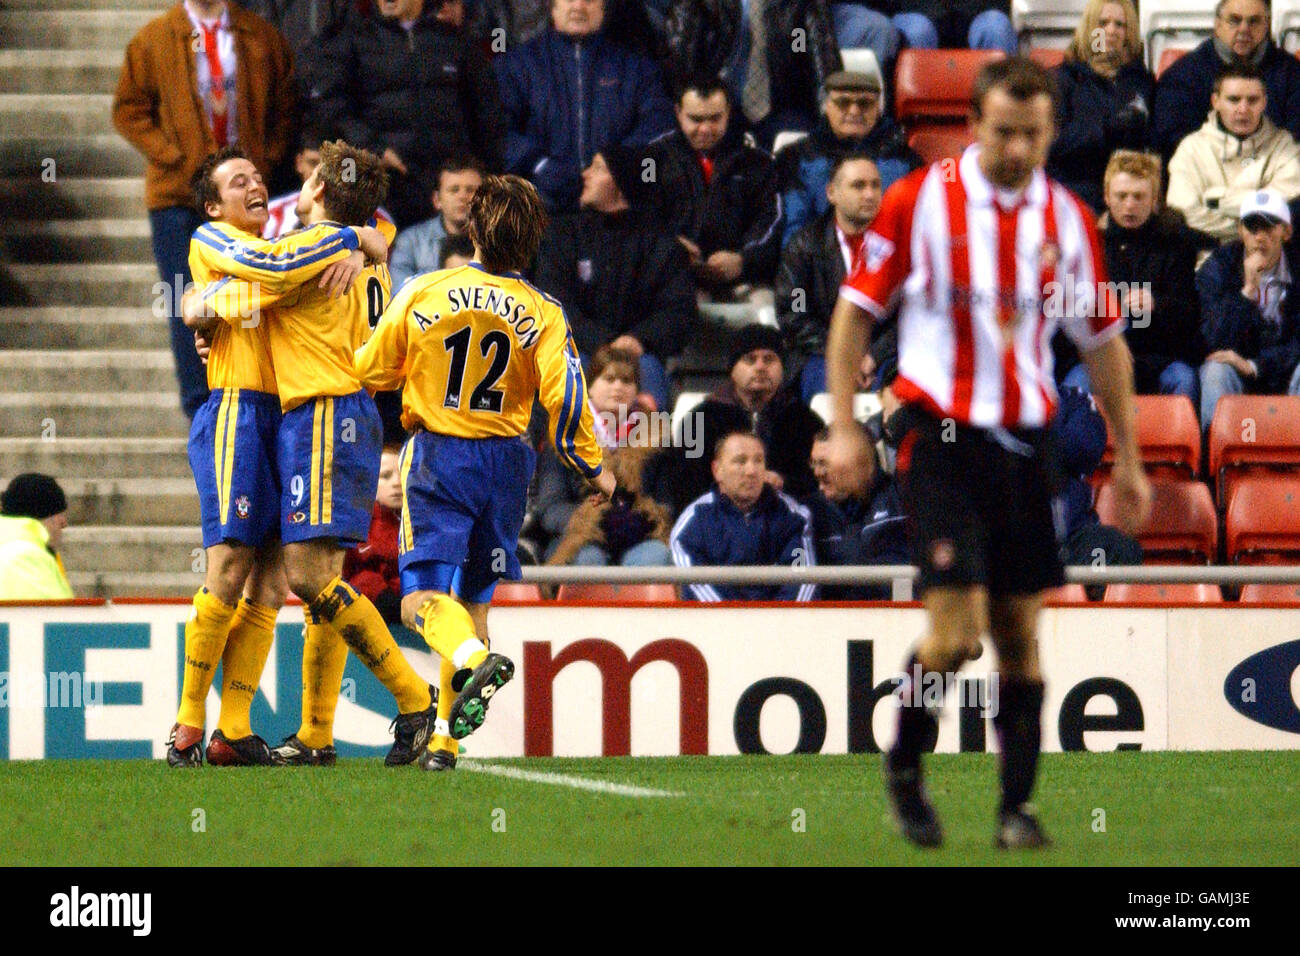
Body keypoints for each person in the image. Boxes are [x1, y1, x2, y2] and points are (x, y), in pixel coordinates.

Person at [822, 57, 1152, 849]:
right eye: (1002, 132)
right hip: (939, 439)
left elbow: (1102, 344)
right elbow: (852, 316)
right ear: (974, 124)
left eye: (1032, 135)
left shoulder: (1068, 219)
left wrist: (1133, 458)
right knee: (955, 635)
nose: (1015, 148)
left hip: (1025, 445)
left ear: (1050, 134)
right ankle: (904, 762)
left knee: (1018, 634)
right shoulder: (917, 201)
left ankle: (1015, 810)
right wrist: (843, 423)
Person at [182, 143, 439, 768]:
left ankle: (411, 699)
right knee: (301, 574)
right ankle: (313, 734)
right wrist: (369, 232)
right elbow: (360, 231)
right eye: (239, 179)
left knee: (306, 576)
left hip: (322, 411)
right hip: (311, 413)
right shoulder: (353, 246)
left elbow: (270, 269)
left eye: (307, 178)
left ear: (319, 193)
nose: (280, 184)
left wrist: (203, 303)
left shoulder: (312, 249)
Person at [355, 173, 617, 769]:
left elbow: (371, 369)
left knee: (418, 600)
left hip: (442, 456)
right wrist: (592, 466)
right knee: (474, 601)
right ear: (533, 242)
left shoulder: (426, 289)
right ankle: (446, 741)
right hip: (508, 462)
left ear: (472, 227)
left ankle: (475, 663)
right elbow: (568, 395)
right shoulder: (544, 312)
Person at [112, 0, 294, 420]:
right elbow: (128, 109)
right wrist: (173, 154)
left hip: (239, 195)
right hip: (177, 196)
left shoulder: (259, 34)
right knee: (184, 299)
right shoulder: (153, 39)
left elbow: (287, 100)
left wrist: (268, 154)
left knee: (249, 292)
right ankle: (201, 408)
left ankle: (254, 394)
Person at [308, 0, 505, 227]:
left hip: (448, 187)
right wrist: (375, 150)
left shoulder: (456, 41)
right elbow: (330, 107)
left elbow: (486, 113)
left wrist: (487, 171)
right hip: (383, 189)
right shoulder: (353, 41)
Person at [533, 145, 696, 413]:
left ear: (621, 184)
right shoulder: (562, 235)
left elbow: (679, 311)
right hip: (577, 350)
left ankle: (646, 454)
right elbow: (551, 303)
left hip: (640, 357)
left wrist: (638, 339)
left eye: (598, 168)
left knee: (648, 373)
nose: (585, 175)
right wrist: (601, 343)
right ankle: (562, 453)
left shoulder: (662, 244)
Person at [1060, 151, 1210, 405]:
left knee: (1183, 380)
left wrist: (1157, 305)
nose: (1129, 205)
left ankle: (1177, 446)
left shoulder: (1178, 246)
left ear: (1154, 200)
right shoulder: (1087, 245)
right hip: (1100, 357)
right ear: (1107, 197)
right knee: (1075, 386)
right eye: (1121, 196)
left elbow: (1191, 316)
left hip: (1159, 357)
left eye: (1138, 197)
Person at [495, 0, 675, 212]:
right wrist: (541, 166)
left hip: (616, 212)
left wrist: (615, 167)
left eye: (589, 0)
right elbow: (498, 131)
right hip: (538, 211)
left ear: (603, 7)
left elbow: (660, 124)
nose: (578, 6)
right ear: (552, 7)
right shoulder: (516, 65)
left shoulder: (636, 67)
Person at [644, 323, 825, 517]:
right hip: (716, 523)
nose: (761, 367)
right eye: (750, 359)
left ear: (782, 368)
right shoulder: (698, 419)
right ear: (733, 368)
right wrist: (731, 487)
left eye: (769, 359)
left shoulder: (805, 420)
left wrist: (782, 483)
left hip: (788, 521)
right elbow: (683, 485)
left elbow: (817, 482)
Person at [641, 75, 783, 301]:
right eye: (695, 119)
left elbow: (772, 221)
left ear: (728, 112)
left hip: (746, 278)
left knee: (766, 308)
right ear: (678, 113)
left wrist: (743, 260)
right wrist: (672, 246)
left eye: (715, 119)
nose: (705, 129)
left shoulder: (757, 160)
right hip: (675, 277)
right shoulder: (653, 159)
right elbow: (641, 216)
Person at [541, 348, 673, 567]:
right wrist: (597, 522)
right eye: (609, 378)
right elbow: (550, 507)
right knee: (588, 559)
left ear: (637, 390)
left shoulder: (657, 438)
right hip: (578, 538)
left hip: (639, 539)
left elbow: (666, 503)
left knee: (656, 556)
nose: (618, 387)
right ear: (589, 386)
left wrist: (640, 520)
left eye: (627, 380)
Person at [776, 153, 893, 402]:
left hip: (884, 356)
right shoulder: (803, 248)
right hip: (822, 352)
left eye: (875, 185)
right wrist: (846, 351)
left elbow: (910, 316)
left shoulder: (898, 247)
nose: (870, 194)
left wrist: (872, 355)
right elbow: (795, 314)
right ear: (832, 193)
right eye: (858, 186)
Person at [776, 70, 921, 246]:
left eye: (864, 104)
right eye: (843, 103)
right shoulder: (796, 158)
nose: (854, 111)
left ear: (878, 108)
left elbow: (916, 226)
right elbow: (793, 230)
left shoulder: (905, 159)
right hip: (819, 262)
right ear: (827, 106)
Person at [1195, 188, 1300, 431]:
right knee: (1215, 371)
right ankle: (1218, 459)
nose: (1260, 237)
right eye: (1252, 228)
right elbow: (1212, 339)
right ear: (1241, 232)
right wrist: (1248, 291)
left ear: (1287, 232)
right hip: (1236, 366)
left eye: (1269, 227)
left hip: (1285, 366)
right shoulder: (1218, 267)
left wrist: (1255, 366)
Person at [670, 430, 817, 602]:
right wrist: (738, 621)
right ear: (717, 470)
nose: (751, 471)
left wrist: (777, 622)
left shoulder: (794, 518)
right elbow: (697, 585)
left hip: (780, 624)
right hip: (716, 625)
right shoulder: (692, 523)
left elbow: (801, 577)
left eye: (758, 461)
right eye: (740, 461)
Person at [1165, 63, 1300, 244]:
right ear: (1216, 102)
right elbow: (1183, 210)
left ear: (1264, 103)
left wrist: (1217, 200)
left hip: (1269, 256)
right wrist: (1249, 230)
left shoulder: (1284, 145)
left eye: (1252, 100)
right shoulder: (1191, 148)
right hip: (1206, 258)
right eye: (1234, 99)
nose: (1243, 109)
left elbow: (1283, 205)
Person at [1153, 0, 1300, 160]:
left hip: (1275, 174)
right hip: (1206, 174)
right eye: (1234, 20)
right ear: (1217, 24)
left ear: (1266, 25)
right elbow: (1176, 143)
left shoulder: (1292, 74)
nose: (1244, 29)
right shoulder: (1183, 75)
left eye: (1254, 21)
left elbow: (1295, 140)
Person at [1046, 0, 1153, 213]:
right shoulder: (1062, 80)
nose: (1111, 31)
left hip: (1130, 193)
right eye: (1103, 23)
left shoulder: (1142, 82)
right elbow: (1051, 145)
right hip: (1076, 189)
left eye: (1120, 25)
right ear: (1089, 29)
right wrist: (1104, 129)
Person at [807, 426, 907, 600]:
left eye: (824, 463)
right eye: (814, 463)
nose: (817, 472)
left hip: (899, 616)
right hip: (831, 620)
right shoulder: (809, 512)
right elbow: (795, 570)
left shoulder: (901, 500)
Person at [389, 156, 484, 289]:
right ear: (437, 200)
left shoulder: (497, 243)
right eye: (454, 190)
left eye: (470, 190)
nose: (463, 197)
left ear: (485, 199)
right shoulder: (410, 241)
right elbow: (399, 295)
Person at [342, 439, 407, 626]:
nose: (397, 483)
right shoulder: (356, 525)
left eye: (402, 473)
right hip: (366, 615)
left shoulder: (424, 522)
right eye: (385, 476)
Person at [0, 474, 73, 601]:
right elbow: (59, 615)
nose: (64, 523)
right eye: (59, 514)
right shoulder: (25, 557)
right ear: (43, 515)